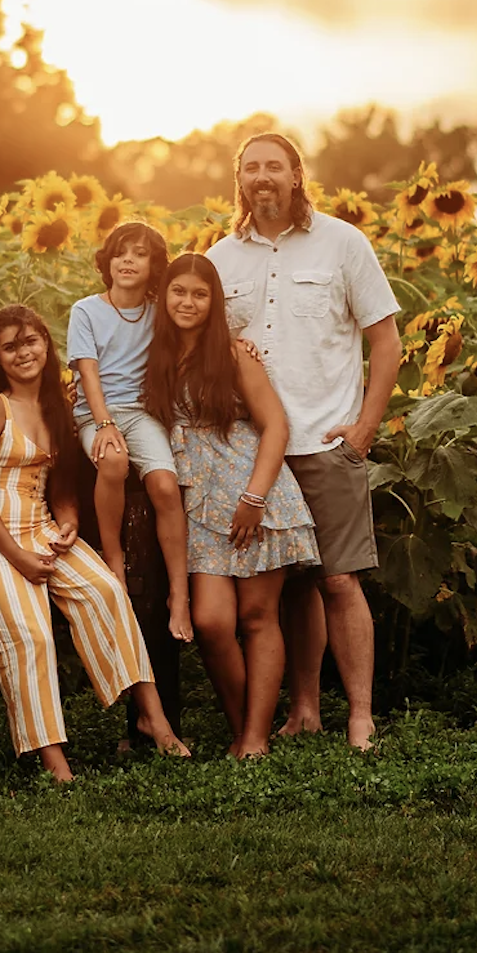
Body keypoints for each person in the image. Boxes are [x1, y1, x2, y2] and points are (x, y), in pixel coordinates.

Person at [206, 133, 401, 750]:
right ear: (240, 179)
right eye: (252, 168)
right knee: (287, 584)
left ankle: (361, 717)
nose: (263, 177)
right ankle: (306, 709)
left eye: (274, 166)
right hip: (252, 449)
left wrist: (365, 425)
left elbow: (386, 340)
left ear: (296, 175)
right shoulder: (219, 258)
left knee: (339, 580)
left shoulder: (343, 242)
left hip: (323, 438)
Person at [0, 303, 190, 782]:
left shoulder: (55, 406)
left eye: (31, 340)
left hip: (40, 523)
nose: (24, 352)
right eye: (11, 346)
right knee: (31, 635)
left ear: (47, 343)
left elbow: (59, 485)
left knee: (107, 591)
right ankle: (53, 759)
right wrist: (19, 557)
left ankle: (154, 718)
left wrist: (66, 520)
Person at [145, 254, 320, 757]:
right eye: (179, 291)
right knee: (213, 622)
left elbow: (276, 426)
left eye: (200, 294)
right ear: (165, 295)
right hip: (197, 500)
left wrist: (254, 498)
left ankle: (254, 740)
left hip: (252, 490)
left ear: (214, 301)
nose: (188, 302)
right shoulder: (154, 353)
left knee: (258, 616)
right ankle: (244, 726)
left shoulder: (233, 355)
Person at [66, 221, 192, 642]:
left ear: (155, 264)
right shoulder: (86, 310)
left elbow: (197, 336)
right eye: (121, 252)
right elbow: (88, 372)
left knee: (165, 485)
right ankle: (115, 561)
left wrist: (239, 344)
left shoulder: (159, 312)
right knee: (114, 462)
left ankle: (180, 593)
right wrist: (102, 423)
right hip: (94, 414)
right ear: (108, 260)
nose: (128, 260)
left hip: (142, 416)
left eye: (140, 253)